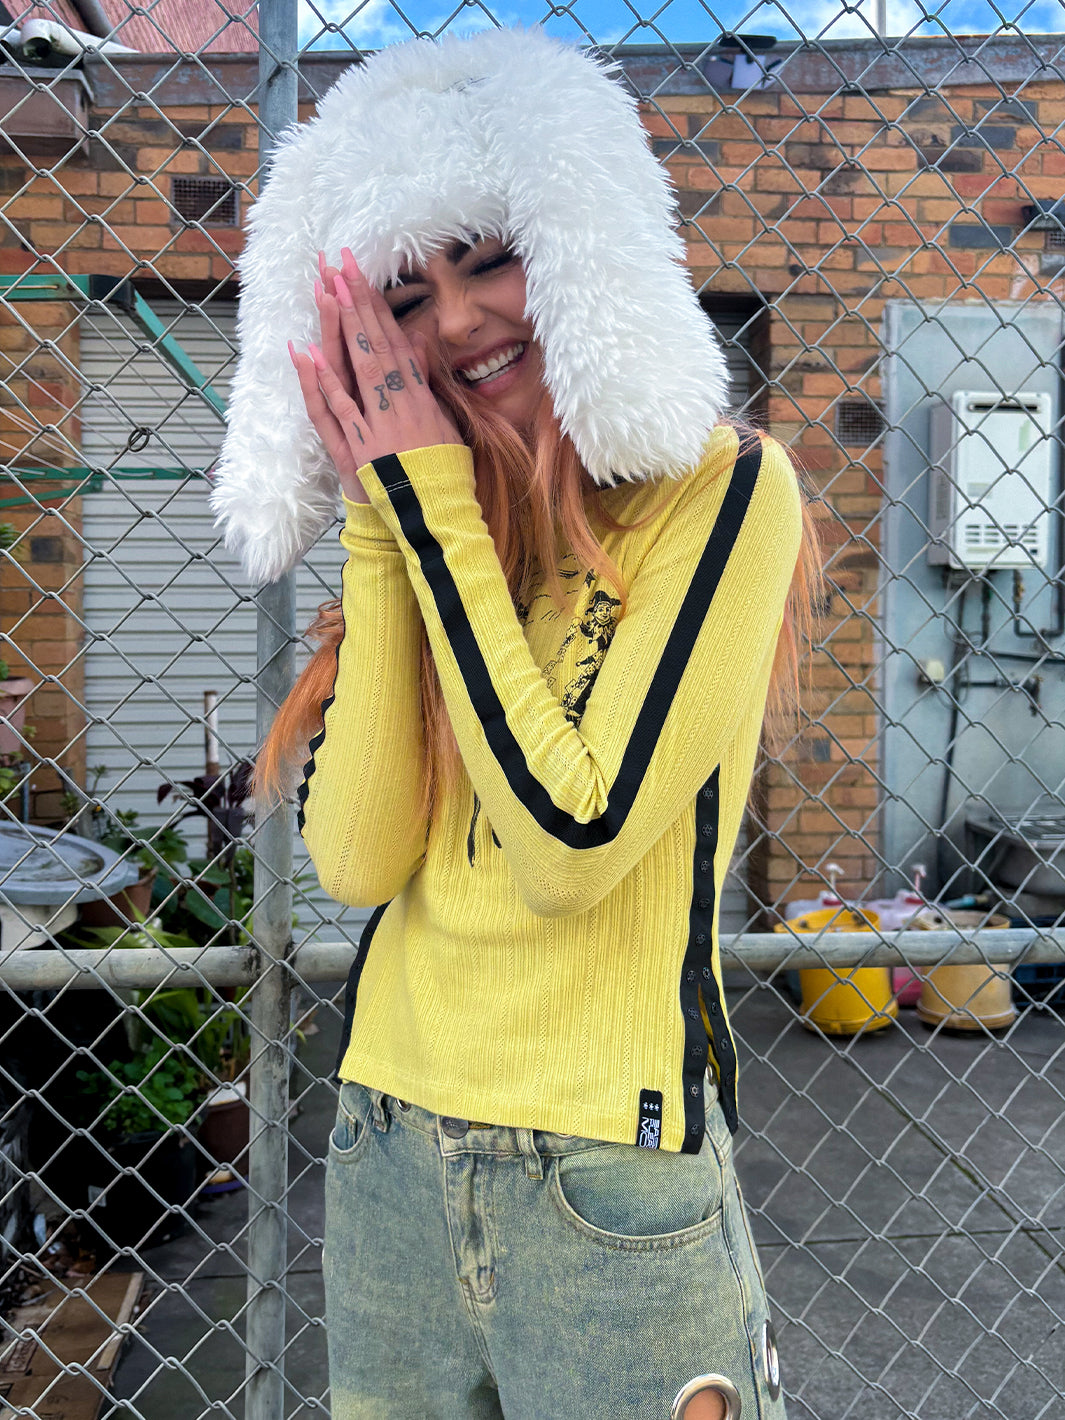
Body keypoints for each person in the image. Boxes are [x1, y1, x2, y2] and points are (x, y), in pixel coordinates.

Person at [212, 27, 820, 1420]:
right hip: (385, 1144)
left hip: (603, 1171)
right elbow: (358, 858)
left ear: (579, 243)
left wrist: (424, 511)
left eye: (488, 258)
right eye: (404, 296)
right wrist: (386, 519)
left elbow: (571, 841)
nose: (456, 322)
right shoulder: (436, 522)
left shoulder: (722, 492)